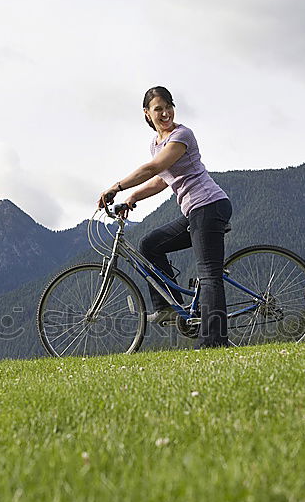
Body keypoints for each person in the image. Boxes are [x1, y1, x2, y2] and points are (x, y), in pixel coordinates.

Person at [98, 86, 233, 348]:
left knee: (209, 275)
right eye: (158, 109)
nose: (165, 112)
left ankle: (214, 342)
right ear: (147, 114)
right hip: (194, 211)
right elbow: (162, 180)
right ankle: (169, 307)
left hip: (209, 205)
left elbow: (155, 167)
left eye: (168, 106)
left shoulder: (182, 135)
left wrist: (117, 187)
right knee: (150, 245)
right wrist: (132, 198)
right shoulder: (156, 143)